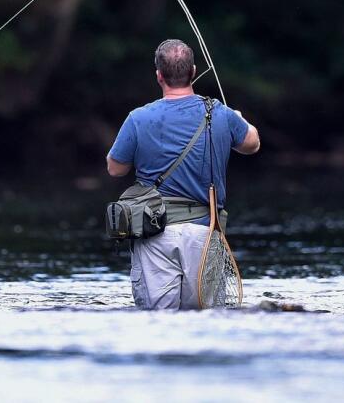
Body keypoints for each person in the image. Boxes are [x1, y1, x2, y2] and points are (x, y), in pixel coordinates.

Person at [106, 38, 260, 310]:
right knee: (204, 320)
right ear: (193, 71)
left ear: (159, 76)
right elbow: (252, 144)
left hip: (154, 233)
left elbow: (115, 168)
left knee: (159, 321)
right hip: (204, 233)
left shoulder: (138, 118)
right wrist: (238, 117)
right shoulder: (220, 114)